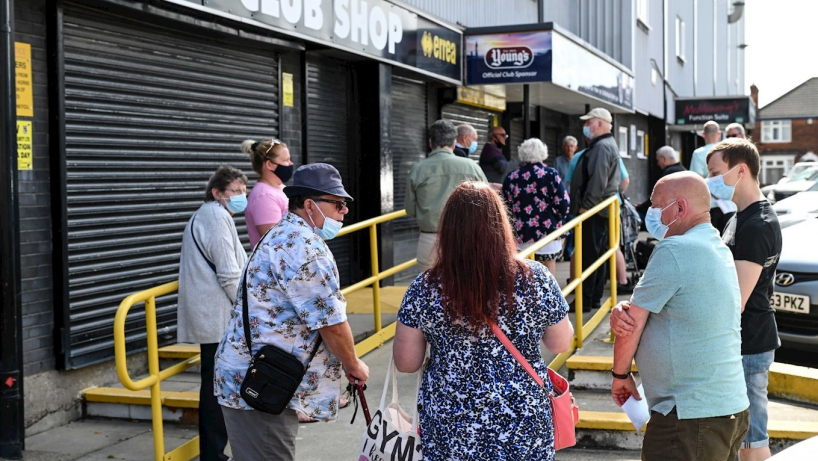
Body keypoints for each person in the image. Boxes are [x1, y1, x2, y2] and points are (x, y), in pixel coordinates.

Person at [394, 181, 574, 461]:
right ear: (501, 226)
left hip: (449, 427)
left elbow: (406, 363)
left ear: (447, 232)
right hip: (523, 423)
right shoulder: (535, 278)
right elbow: (561, 342)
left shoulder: (424, 288)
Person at [214, 163, 369, 461]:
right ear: (310, 205)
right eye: (337, 204)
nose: (344, 211)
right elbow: (331, 323)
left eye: (345, 204)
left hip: (256, 376)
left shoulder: (283, 233)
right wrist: (353, 364)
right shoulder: (305, 248)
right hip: (259, 382)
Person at [609, 172, 749, 461]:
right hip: (725, 409)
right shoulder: (717, 249)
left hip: (689, 418)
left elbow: (631, 326)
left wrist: (620, 376)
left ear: (681, 209)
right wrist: (625, 310)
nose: (653, 215)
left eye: (657, 206)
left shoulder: (675, 249)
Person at [707, 139, 782, 461]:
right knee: (743, 436)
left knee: (752, 439)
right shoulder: (742, 216)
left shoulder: (757, 224)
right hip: (744, 339)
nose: (709, 180)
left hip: (749, 341)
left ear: (741, 170)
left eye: (714, 172)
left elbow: (735, 298)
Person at [177, 166, 249, 461]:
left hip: (216, 315)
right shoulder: (216, 216)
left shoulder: (210, 214)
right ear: (217, 193)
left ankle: (215, 453)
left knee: (215, 386)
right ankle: (213, 455)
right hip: (219, 316)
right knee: (216, 390)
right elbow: (229, 273)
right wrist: (248, 310)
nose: (241, 197)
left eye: (245, 191)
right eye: (235, 191)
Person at [405, 119, 487, 271]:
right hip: (464, 239)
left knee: (428, 291)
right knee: (465, 289)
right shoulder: (471, 167)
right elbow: (487, 204)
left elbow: (410, 209)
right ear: (454, 143)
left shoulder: (418, 169)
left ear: (431, 143)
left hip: (429, 241)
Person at [568, 108, 621, 310]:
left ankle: (585, 301)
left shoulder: (601, 147)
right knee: (597, 256)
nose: (585, 127)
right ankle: (592, 298)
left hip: (594, 211)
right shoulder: (605, 145)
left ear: (599, 124)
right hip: (601, 210)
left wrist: (584, 208)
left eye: (588, 122)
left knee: (589, 256)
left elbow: (597, 181)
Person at [502, 138, 571, 275]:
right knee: (548, 274)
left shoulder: (512, 176)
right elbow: (563, 204)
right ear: (543, 153)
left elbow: (505, 207)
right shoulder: (551, 174)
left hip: (521, 236)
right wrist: (558, 217)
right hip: (548, 235)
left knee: (525, 275)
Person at [242, 138, 294, 247]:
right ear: (269, 164)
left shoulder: (279, 188)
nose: (290, 164)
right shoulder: (264, 197)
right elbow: (275, 243)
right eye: (286, 160)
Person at [690, 120, 734, 232]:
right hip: (729, 205)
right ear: (719, 134)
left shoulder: (698, 154)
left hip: (709, 206)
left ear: (703, 134)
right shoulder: (728, 152)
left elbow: (696, 182)